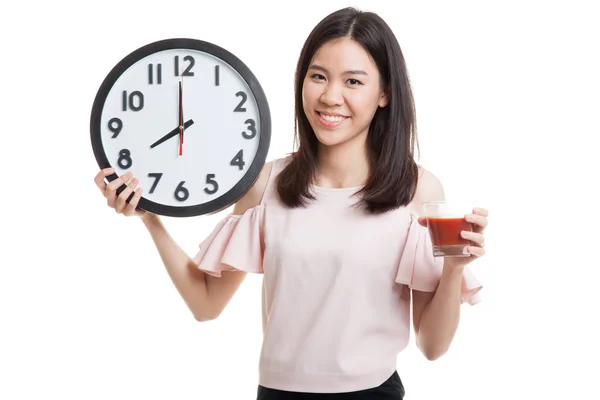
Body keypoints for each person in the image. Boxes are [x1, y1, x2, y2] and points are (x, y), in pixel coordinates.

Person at [93, 6, 488, 400]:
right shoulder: (265, 184)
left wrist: (453, 269)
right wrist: (151, 219)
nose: (330, 96)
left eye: (353, 81)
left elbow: (433, 347)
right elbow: (206, 303)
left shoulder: (418, 190)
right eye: (318, 77)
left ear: (384, 93)